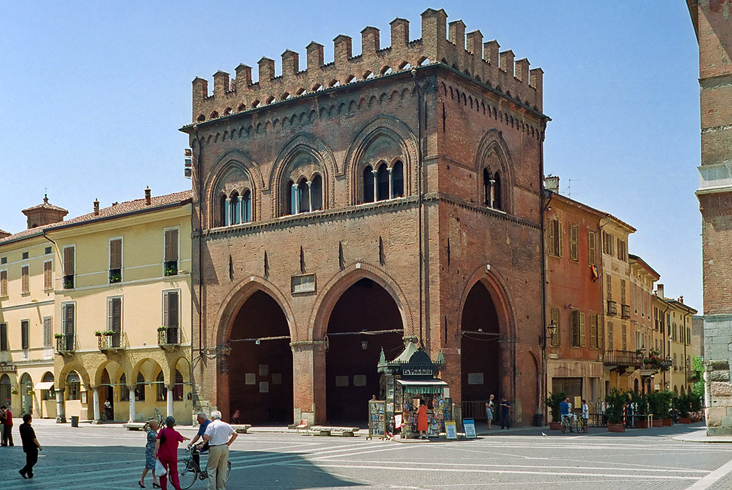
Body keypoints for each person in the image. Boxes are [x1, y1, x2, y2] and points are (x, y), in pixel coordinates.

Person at [203, 410, 238, 490]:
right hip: (224, 447)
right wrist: (229, 443)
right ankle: (221, 488)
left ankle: (212, 488)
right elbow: (235, 434)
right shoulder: (226, 425)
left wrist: (203, 443)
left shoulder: (211, 425)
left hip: (215, 447)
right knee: (222, 469)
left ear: (212, 418)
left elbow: (206, 437)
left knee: (212, 469)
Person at [155, 416, 188, 490]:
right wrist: (184, 438)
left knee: (163, 473)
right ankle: (177, 487)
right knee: (174, 472)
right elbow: (181, 438)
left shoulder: (162, 431)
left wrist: (155, 453)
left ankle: (164, 488)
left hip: (162, 455)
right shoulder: (176, 433)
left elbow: (157, 442)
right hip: (172, 456)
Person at [19, 413, 42, 479]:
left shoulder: (21, 426)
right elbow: (33, 438)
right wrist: (39, 446)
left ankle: (30, 473)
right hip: (32, 446)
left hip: (25, 446)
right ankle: (23, 470)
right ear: (30, 420)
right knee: (34, 460)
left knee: (28, 460)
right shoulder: (29, 428)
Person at [139, 420, 160, 489]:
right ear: (153, 426)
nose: (158, 425)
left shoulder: (155, 432)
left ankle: (155, 481)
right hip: (150, 451)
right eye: (156, 424)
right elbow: (157, 437)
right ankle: (141, 479)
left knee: (154, 466)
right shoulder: (151, 433)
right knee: (148, 466)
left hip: (154, 451)